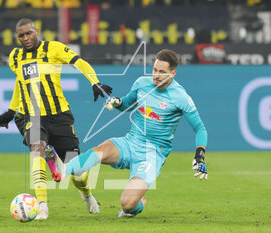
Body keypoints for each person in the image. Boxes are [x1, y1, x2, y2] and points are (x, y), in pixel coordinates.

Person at [54, 49, 208, 217]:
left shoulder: (181, 97)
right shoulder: (142, 83)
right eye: (155, 70)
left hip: (152, 153)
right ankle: (62, 170)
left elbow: (200, 128)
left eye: (162, 72)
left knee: (127, 205)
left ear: (173, 73)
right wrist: (117, 102)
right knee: (100, 150)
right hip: (130, 142)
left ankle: (138, 204)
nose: (156, 75)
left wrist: (199, 156)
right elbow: (127, 104)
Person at [0, 18, 113, 220]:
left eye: (28, 33)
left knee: (76, 171)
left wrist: (95, 82)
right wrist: (12, 110)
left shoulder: (54, 49)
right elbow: (21, 82)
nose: (25, 38)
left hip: (59, 115)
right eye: (21, 35)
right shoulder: (15, 56)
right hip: (30, 114)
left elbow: (80, 63)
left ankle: (87, 195)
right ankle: (42, 206)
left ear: (36, 31)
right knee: (37, 148)